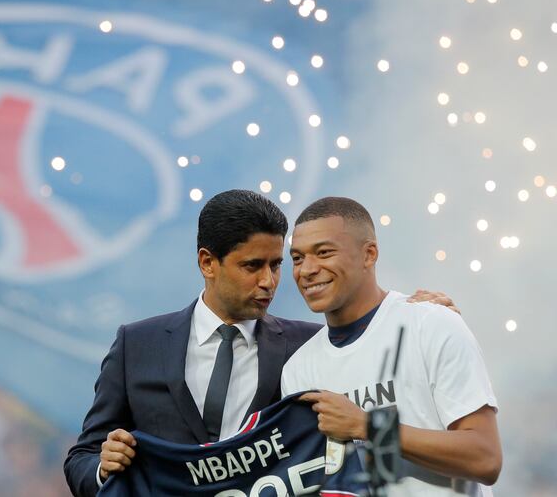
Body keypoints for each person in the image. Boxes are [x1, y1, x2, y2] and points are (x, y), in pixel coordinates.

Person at [64, 190, 458, 497]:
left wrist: (412, 312)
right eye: (252, 266)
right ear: (207, 262)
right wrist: (103, 467)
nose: (269, 281)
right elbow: (82, 457)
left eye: (276, 265)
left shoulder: (309, 349)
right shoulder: (137, 344)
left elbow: (369, 451)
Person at [280, 197, 502, 496]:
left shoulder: (431, 324)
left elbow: (486, 458)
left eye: (323, 252)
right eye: (297, 258)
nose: (306, 269)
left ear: (369, 254)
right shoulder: (298, 370)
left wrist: (368, 426)